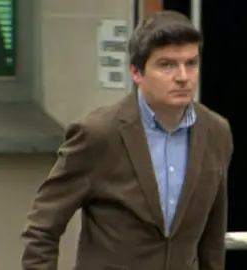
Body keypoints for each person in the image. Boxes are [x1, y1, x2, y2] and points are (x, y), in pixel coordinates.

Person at [21, 10, 233, 270]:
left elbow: (212, 239)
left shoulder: (216, 132)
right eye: (166, 65)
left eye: (191, 63)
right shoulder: (99, 134)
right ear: (136, 72)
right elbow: (42, 228)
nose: (182, 76)